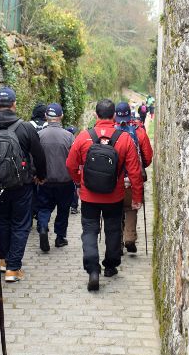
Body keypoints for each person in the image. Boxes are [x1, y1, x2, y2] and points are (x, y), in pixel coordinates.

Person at [66, 99, 144, 291]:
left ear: (95, 114)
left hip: (89, 196)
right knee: (113, 230)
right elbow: (134, 171)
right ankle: (110, 265)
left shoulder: (84, 137)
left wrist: (79, 181)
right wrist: (136, 197)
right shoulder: (124, 139)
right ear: (114, 116)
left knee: (90, 231)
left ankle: (93, 269)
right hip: (114, 196)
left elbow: (70, 164)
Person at [0, 87, 47, 283]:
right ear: (14, 104)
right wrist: (41, 176)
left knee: (3, 220)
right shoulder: (25, 128)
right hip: (22, 185)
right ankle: (13, 269)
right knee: (21, 224)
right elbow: (39, 156)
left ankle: (3, 261)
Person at [114, 102, 153, 254]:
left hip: (114, 180)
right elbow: (148, 157)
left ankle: (116, 240)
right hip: (132, 179)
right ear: (130, 114)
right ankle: (129, 237)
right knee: (131, 209)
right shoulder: (139, 131)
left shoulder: (110, 131)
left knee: (115, 210)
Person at [36, 103, 75, 251]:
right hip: (65, 181)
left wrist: (36, 175)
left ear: (46, 116)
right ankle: (60, 238)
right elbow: (74, 160)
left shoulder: (39, 136)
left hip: (45, 180)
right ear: (61, 116)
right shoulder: (69, 136)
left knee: (44, 207)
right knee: (63, 209)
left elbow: (34, 158)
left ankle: (43, 227)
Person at [29, 103, 48, 219]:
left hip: (30, 165)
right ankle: (41, 214)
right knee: (43, 192)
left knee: (32, 191)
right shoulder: (47, 126)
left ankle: (32, 211)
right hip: (44, 163)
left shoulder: (28, 125)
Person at [65, 125, 80, 215]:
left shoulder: (63, 140)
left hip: (64, 170)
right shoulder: (74, 142)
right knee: (74, 188)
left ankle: (72, 205)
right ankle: (73, 206)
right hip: (72, 170)